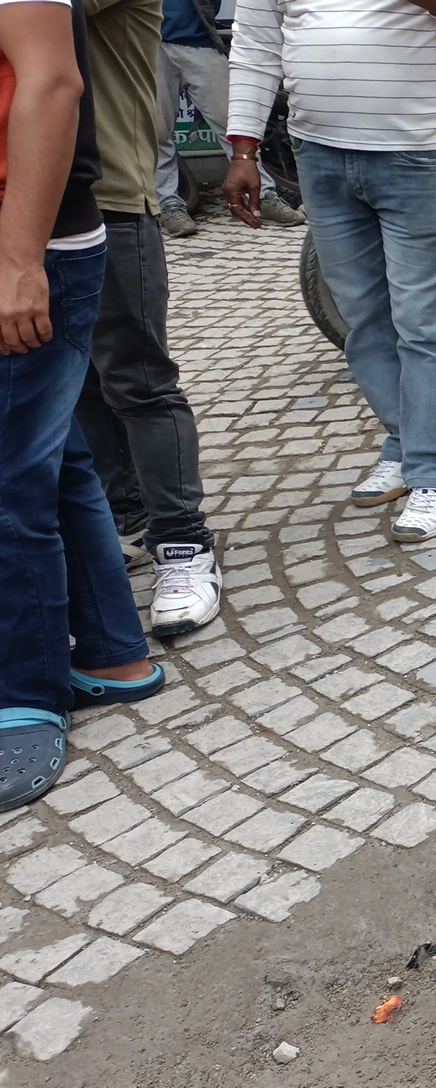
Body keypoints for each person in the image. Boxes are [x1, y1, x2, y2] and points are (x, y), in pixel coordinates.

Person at [224, 0, 436, 543]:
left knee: (421, 320)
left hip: (413, 151)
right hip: (319, 154)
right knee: (362, 317)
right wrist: (242, 147)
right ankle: (405, 442)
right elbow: (256, 44)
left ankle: (435, 473)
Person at [1, 0, 169, 811]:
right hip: (28, 233)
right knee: (56, 455)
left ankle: (22, 698)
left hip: (27, 235)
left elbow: (54, 81)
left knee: (9, 479)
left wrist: (19, 259)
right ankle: (112, 652)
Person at [73, 0, 224, 637]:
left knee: (137, 379)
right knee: (76, 383)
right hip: (26, 197)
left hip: (107, 196)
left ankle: (184, 545)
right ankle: (125, 518)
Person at [151, 0, 301, 237]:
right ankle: (169, 204)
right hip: (150, 44)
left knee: (235, 121)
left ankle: (262, 195)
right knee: (156, 132)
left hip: (200, 40)